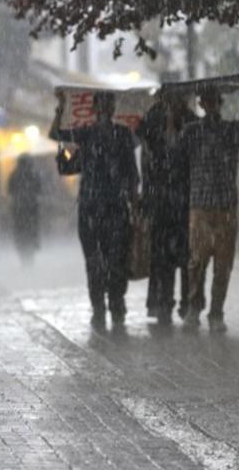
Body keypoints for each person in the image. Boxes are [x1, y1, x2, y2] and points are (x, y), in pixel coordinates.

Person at [50, 92, 139, 328]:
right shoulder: (86, 135)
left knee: (116, 260)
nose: (105, 110)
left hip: (116, 208)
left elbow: (131, 173)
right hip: (91, 209)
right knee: (94, 262)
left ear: (113, 108)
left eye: (108, 105)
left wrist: (134, 203)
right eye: (101, 106)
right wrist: (60, 109)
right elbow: (56, 135)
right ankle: (99, 307)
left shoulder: (122, 135)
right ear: (94, 109)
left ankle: (116, 304)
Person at [180, 83, 239, 332]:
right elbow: (174, 147)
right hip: (200, 206)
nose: (211, 105)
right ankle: (194, 307)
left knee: (223, 264)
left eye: (214, 101)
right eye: (206, 101)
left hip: (225, 206)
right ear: (201, 104)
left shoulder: (231, 130)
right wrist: (173, 112)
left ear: (219, 103)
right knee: (197, 262)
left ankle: (216, 312)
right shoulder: (192, 131)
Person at [137, 91, 199, 325]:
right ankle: (164, 302)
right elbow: (145, 147)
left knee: (185, 256)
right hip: (161, 201)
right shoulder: (153, 120)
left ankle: (186, 303)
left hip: (183, 201)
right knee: (162, 257)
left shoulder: (191, 122)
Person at [7, 154, 41, 265]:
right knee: (31, 231)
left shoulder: (14, 175)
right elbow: (39, 189)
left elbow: (10, 191)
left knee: (20, 232)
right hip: (31, 208)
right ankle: (30, 254)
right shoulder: (33, 174)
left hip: (18, 209)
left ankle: (23, 254)